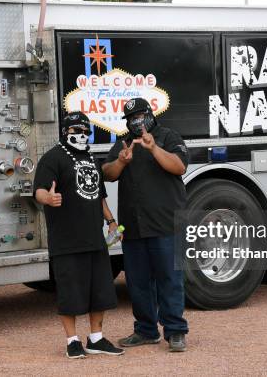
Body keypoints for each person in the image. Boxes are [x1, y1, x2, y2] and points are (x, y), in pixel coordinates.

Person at [34, 111, 125, 359]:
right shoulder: (52, 158)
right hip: (66, 240)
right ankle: (72, 341)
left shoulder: (92, 159)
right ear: (66, 132)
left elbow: (99, 195)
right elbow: (39, 191)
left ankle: (95, 338)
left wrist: (112, 222)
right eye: (77, 131)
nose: (82, 135)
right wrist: (49, 199)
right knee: (70, 292)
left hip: (95, 239)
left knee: (101, 291)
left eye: (86, 132)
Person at [102, 97, 189, 352]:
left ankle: (175, 332)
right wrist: (121, 161)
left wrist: (153, 148)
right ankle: (146, 331)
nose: (136, 122)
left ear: (150, 115)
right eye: (131, 119)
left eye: (140, 117)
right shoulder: (123, 142)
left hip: (167, 224)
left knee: (170, 280)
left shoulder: (168, 136)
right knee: (138, 283)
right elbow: (107, 173)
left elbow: (179, 166)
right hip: (134, 226)